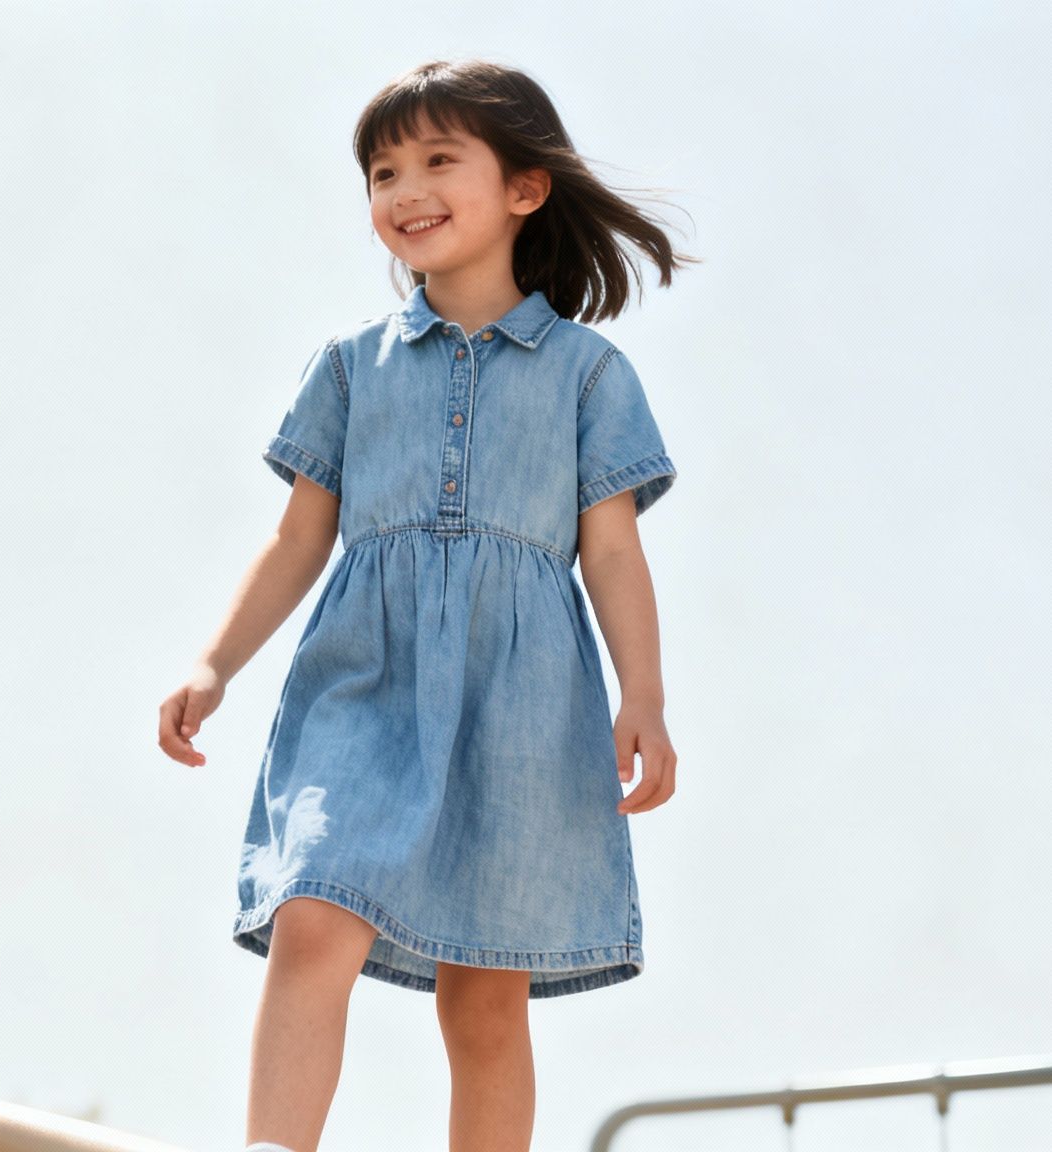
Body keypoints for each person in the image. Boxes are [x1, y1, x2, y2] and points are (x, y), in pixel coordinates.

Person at [157, 58, 695, 1152]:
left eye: (437, 160)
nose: (402, 189)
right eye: (381, 171)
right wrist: (214, 664)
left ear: (523, 189)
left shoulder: (588, 374)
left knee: (484, 995)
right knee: (312, 910)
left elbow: (613, 553)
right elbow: (299, 535)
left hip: (521, 702)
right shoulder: (351, 367)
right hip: (365, 680)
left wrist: (642, 696)